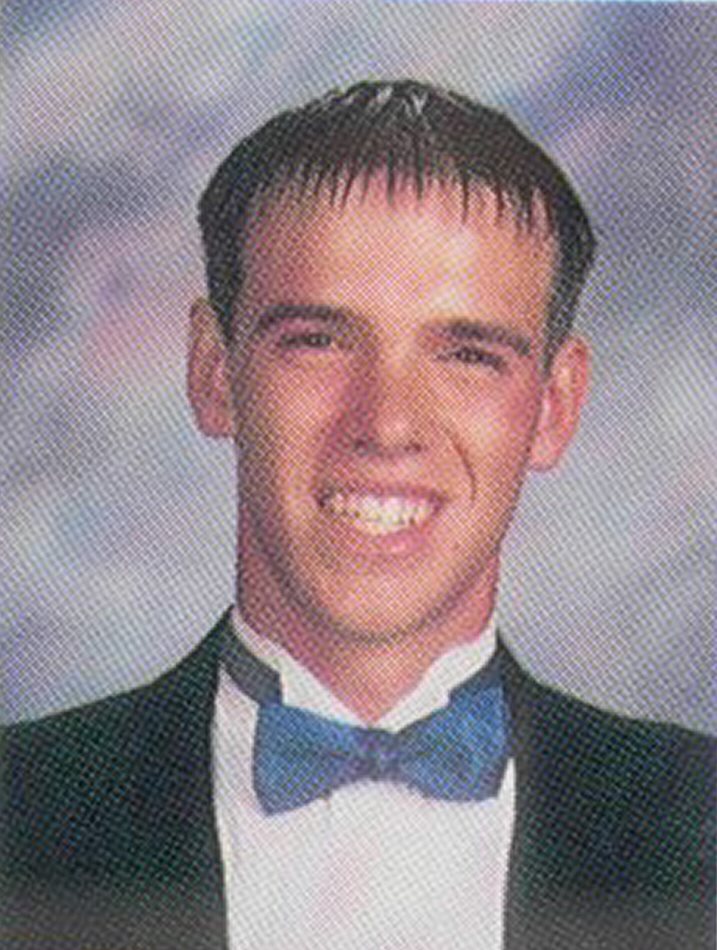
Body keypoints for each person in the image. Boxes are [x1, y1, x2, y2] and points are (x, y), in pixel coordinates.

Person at [4, 80, 714, 950]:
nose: (386, 424)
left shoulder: (694, 827)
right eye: (318, 341)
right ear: (215, 371)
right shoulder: (20, 818)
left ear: (553, 406)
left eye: (467, 354)